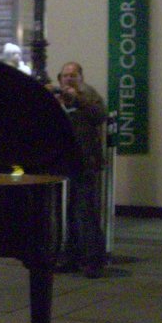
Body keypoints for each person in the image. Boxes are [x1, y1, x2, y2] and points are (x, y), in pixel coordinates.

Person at [53, 61, 108, 278]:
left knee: (86, 212)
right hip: (64, 163)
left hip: (85, 162)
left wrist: (77, 99)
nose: (68, 79)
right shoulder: (57, 99)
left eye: (73, 75)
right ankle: (71, 256)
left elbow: (99, 115)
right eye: (65, 75)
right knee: (67, 212)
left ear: (81, 79)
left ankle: (93, 259)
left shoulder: (89, 96)